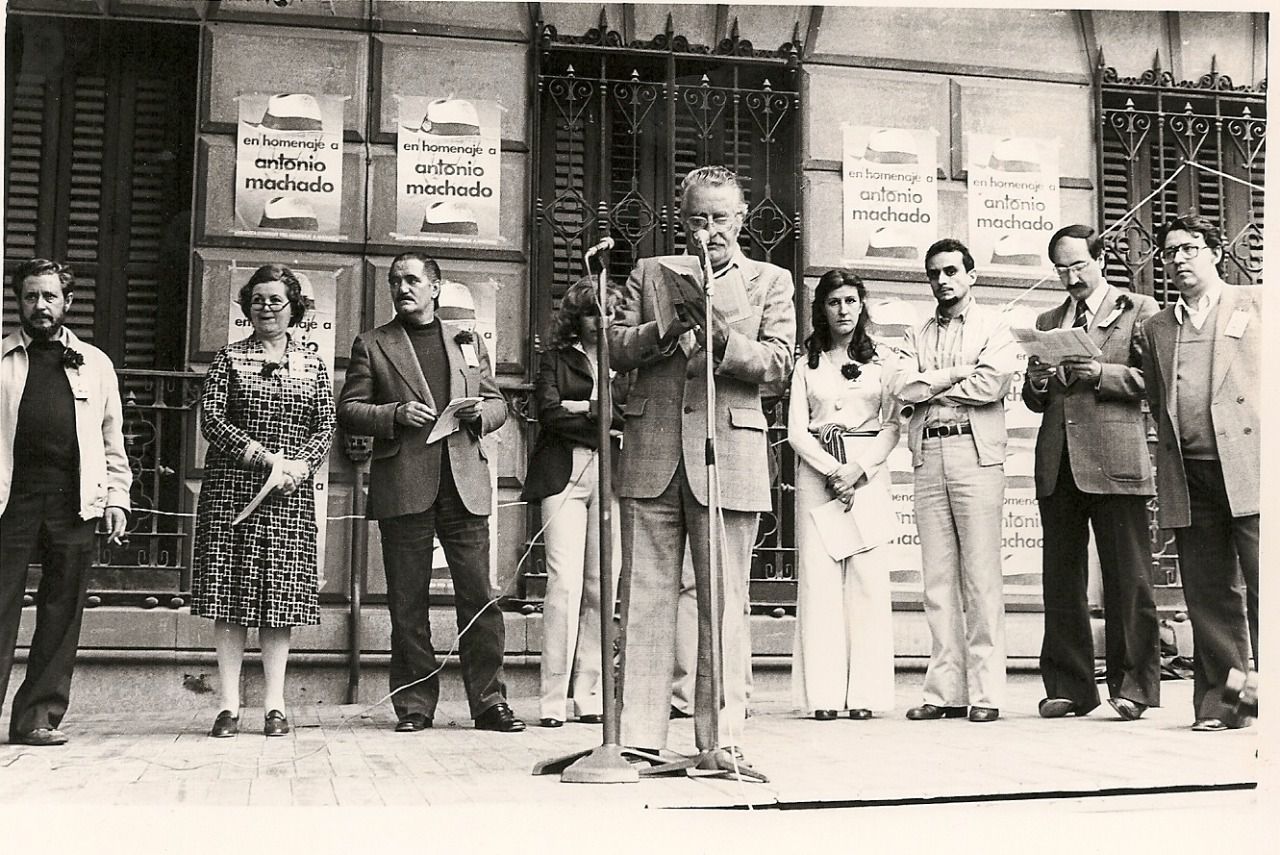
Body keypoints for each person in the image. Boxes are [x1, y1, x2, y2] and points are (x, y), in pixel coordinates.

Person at [609, 165, 795, 766]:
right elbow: (613, 346)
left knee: (723, 602)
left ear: (742, 219)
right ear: (680, 218)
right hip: (653, 449)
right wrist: (661, 335)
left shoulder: (770, 280)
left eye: (720, 218)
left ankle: (721, 740)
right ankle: (637, 737)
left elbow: (780, 364)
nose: (709, 230)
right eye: (697, 218)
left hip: (728, 453)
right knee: (643, 596)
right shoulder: (650, 272)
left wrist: (723, 342)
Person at [337, 252, 524, 733]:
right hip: (404, 483)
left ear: (435, 288)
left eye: (413, 280)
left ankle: (489, 702)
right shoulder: (373, 344)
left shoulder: (466, 339)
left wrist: (479, 416)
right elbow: (352, 409)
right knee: (407, 600)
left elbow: (498, 403)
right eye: (396, 281)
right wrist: (394, 414)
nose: (403, 288)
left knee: (479, 597)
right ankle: (415, 706)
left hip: (463, 485)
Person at [1023, 225, 1161, 721]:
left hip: (1115, 460)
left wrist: (1101, 374)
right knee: (1061, 580)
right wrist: (1037, 380)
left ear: (1100, 259)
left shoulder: (1139, 309)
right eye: (1061, 268)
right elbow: (1036, 400)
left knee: (1128, 578)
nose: (1070, 276)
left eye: (1078, 265)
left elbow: (1156, 380)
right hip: (1058, 463)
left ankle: (1135, 688)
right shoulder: (1047, 319)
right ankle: (1068, 686)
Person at [192, 264, 336, 738]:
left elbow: (325, 425)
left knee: (279, 598)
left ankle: (275, 705)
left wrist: (296, 467)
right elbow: (211, 420)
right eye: (258, 299)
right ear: (246, 306)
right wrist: (263, 458)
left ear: (294, 307)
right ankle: (229, 706)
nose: (266, 308)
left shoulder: (312, 364)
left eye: (276, 300)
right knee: (230, 598)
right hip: (234, 492)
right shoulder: (229, 359)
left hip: (288, 495)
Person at [0, 259, 130, 747]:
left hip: (73, 503)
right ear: (20, 302)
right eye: (31, 296)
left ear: (67, 303)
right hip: (10, 501)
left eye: (49, 297)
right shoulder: (3, 358)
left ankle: (38, 715)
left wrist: (117, 498)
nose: (40, 306)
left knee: (61, 610)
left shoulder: (94, 363)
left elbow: (112, 439)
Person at [1142, 214, 1260, 732]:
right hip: (1191, 475)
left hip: (1254, 469)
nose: (1180, 260)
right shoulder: (1158, 327)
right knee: (1210, 595)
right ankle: (1227, 704)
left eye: (1190, 249)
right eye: (1170, 253)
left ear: (1215, 252)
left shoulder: (1258, 304)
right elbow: (1155, 397)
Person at [894, 238, 1018, 723]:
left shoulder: (994, 326)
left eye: (951, 271)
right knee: (938, 579)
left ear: (971, 275)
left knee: (981, 578)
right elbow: (902, 385)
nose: (942, 280)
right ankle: (944, 692)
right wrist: (958, 374)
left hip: (975, 452)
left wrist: (935, 382)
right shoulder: (916, 331)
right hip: (928, 452)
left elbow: (992, 384)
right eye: (933, 273)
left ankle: (986, 694)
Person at [788, 269, 901, 721]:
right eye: (834, 302)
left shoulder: (883, 362)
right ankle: (824, 696)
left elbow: (893, 424)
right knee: (819, 580)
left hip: (866, 473)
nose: (844, 310)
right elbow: (796, 431)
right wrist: (833, 470)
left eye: (851, 301)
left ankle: (866, 695)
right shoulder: (805, 364)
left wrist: (858, 468)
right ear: (822, 308)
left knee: (868, 582)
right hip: (820, 474)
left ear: (862, 305)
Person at [522, 276, 625, 728]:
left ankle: (590, 695)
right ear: (576, 318)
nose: (602, 319)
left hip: (614, 475)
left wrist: (581, 406)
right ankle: (551, 700)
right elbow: (548, 414)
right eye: (592, 311)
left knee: (603, 585)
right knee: (563, 585)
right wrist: (598, 412)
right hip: (564, 473)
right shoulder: (555, 358)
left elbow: (631, 414)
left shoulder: (625, 360)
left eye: (610, 310)